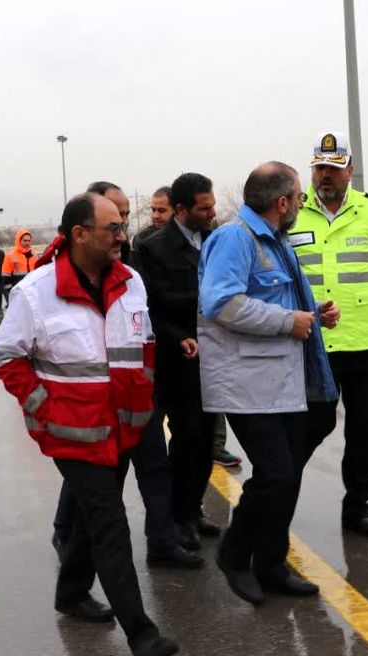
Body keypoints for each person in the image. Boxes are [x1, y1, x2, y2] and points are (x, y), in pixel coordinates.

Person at [0, 191, 178, 656]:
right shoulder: (35, 291)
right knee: (110, 520)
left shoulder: (131, 281)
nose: (122, 235)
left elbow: (146, 343)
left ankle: (71, 591)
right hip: (72, 433)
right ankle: (141, 632)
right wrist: (43, 408)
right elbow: (8, 357)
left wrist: (145, 392)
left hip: (122, 428)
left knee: (94, 520)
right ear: (78, 234)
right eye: (112, 228)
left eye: (122, 226)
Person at [198, 162, 339, 605]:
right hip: (247, 383)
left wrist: (314, 313)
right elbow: (220, 302)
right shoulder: (236, 238)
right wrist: (287, 321)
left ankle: (273, 563)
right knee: (276, 473)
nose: (301, 203)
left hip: (282, 380)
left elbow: (275, 296)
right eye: (298, 197)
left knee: (288, 475)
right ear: (282, 203)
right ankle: (235, 553)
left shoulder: (275, 240)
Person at [292, 131, 368, 541]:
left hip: (362, 342)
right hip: (309, 343)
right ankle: (275, 494)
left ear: (349, 171)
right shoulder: (291, 212)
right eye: (319, 167)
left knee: (364, 429)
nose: (325, 176)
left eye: (333, 168)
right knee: (310, 423)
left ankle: (356, 507)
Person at [132, 172, 222, 550]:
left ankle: (192, 507)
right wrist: (178, 335)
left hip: (212, 357)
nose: (212, 213)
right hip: (174, 361)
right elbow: (147, 306)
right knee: (186, 440)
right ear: (182, 210)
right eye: (205, 208)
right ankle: (177, 516)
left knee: (205, 443)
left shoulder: (216, 243)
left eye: (213, 205)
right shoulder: (153, 249)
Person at [1, 228, 37, 298]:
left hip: (32, 295)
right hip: (17, 295)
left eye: (29, 241)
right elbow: (5, 280)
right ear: (19, 241)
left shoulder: (34, 255)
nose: (27, 243)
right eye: (25, 240)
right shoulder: (10, 256)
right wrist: (11, 296)